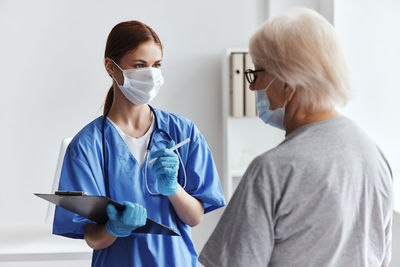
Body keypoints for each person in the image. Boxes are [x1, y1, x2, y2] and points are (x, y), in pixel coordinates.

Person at [199, 7, 392, 267]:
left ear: (288, 83)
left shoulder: (273, 170)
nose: (252, 86)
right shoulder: (373, 155)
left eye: (257, 73)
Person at [53, 20, 225, 267]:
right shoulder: (87, 146)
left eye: (157, 65)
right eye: (139, 65)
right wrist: (114, 227)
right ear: (111, 67)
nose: (151, 74)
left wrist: (173, 189)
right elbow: (93, 238)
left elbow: (195, 217)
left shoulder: (182, 132)